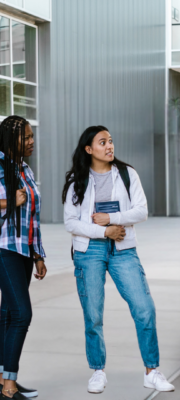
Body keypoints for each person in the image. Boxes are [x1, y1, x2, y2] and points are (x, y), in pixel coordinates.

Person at [62, 126, 174, 394]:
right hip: (89, 251)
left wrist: (112, 219)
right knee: (93, 315)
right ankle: (98, 371)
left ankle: (152, 371)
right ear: (89, 149)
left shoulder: (126, 173)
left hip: (124, 249)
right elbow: (71, 222)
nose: (110, 146)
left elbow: (142, 211)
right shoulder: (77, 179)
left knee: (144, 308)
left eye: (111, 141)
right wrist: (104, 231)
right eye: (103, 142)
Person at [0, 116, 47, 400]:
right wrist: (7, 202)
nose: (31, 141)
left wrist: (38, 253)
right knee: (21, 313)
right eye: (26, 137)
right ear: (10, 139)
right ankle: (8, 388)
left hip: (24, 250)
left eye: (31, 136)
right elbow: (13, 205)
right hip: (4, 247)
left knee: (7, 314)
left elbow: (34, 217)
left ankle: (4, 381)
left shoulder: (24, 168)